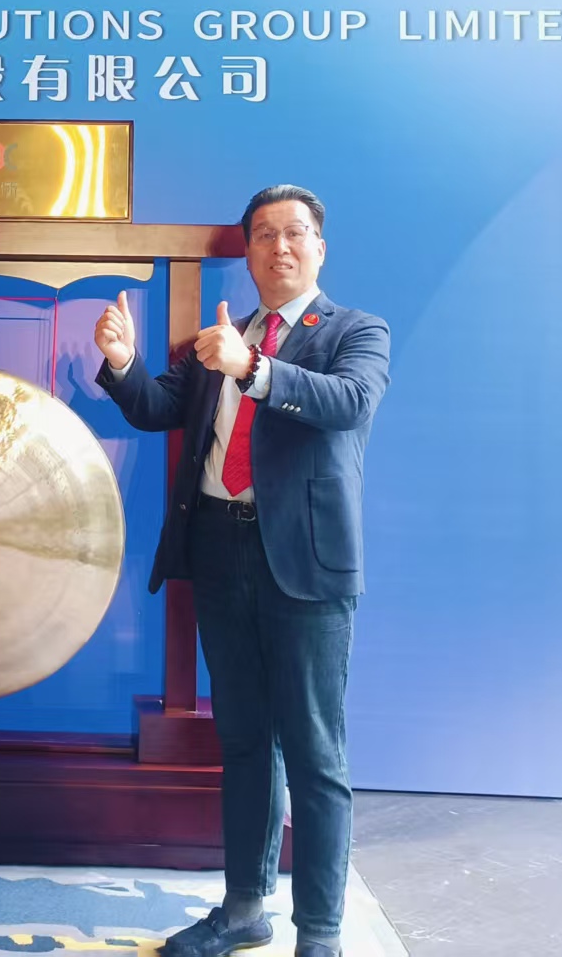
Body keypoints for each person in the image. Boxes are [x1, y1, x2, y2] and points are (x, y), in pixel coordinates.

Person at [94, 185, 390, 957]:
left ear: (319, 248)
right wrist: (122, 363)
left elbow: (348, 402)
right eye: (263, 234)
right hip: (221, 555)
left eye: (294, 233)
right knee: (247, 742)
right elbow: (158, 407)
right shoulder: (221, 338)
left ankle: (318, 933)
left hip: (305, 567)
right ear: (248, 252)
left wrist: (253, 367)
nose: (279, 246)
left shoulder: (355, 332)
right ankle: (243, 908)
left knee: (316, 755)